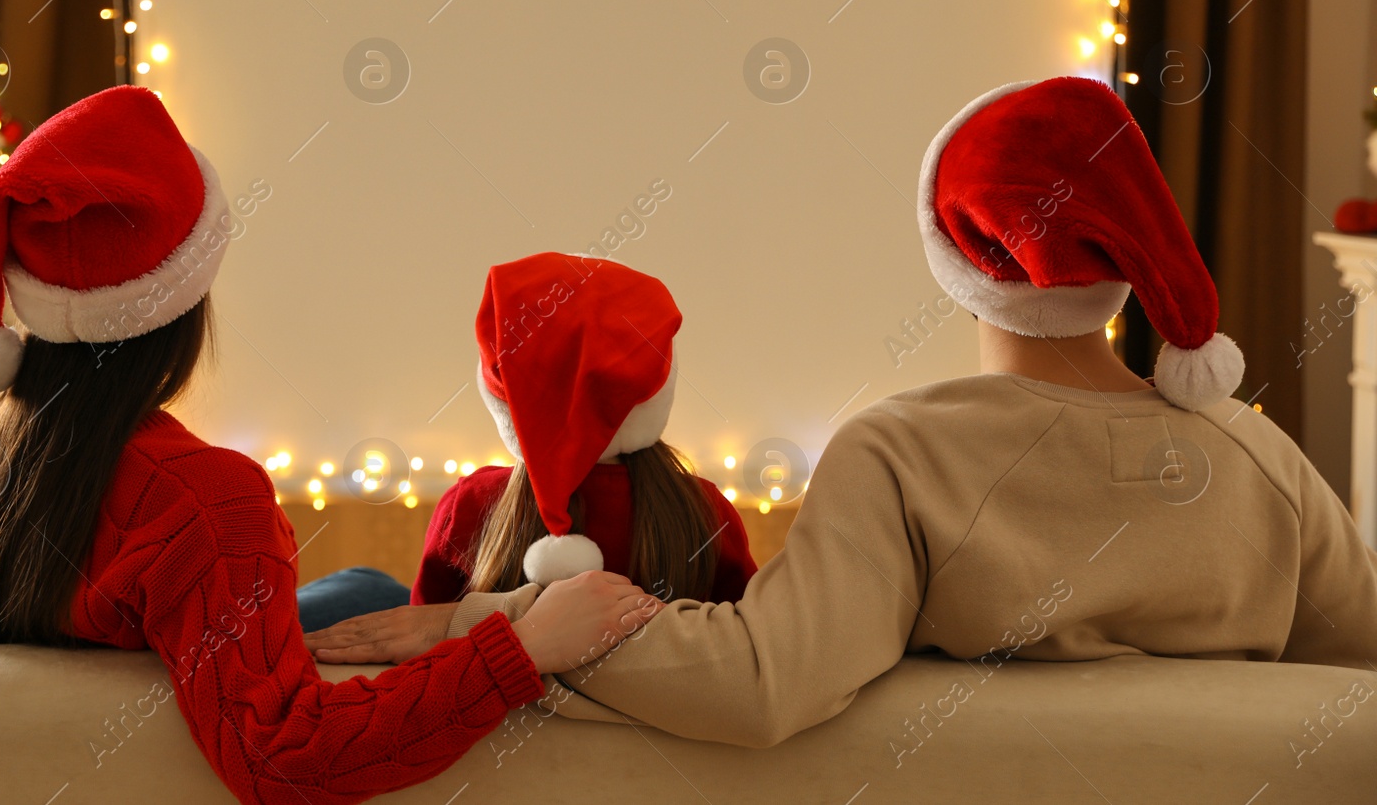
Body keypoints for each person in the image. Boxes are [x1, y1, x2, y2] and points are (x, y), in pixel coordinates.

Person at [306, 76, 1377, 748]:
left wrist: (484, 621)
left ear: (959, 257)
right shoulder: (1259, 452)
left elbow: (763, 683)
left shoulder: (903, 452)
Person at [0, 85, 659, 803]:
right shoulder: (201, 496)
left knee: (365, 587)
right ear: (182, 302)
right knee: (375, 596)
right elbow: (286, 757)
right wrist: (523, 647)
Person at [410, 252, 757, 606]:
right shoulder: (704, 511)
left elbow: (424, 635)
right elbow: (747, 639)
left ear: (502, 395)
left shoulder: (470, 504)